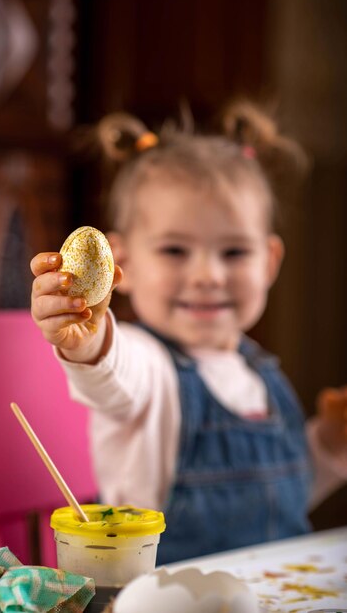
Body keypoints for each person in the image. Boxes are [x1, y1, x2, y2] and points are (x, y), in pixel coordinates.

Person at [30, 102, 347, 564]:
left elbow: (282, 504)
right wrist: (90, 338)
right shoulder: (147, 365)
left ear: (270, 262)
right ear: (123, 263)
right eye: (176, 250)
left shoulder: (263, 377)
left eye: (234, 252)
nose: (207, 275)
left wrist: (329, 447)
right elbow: (112, 373)